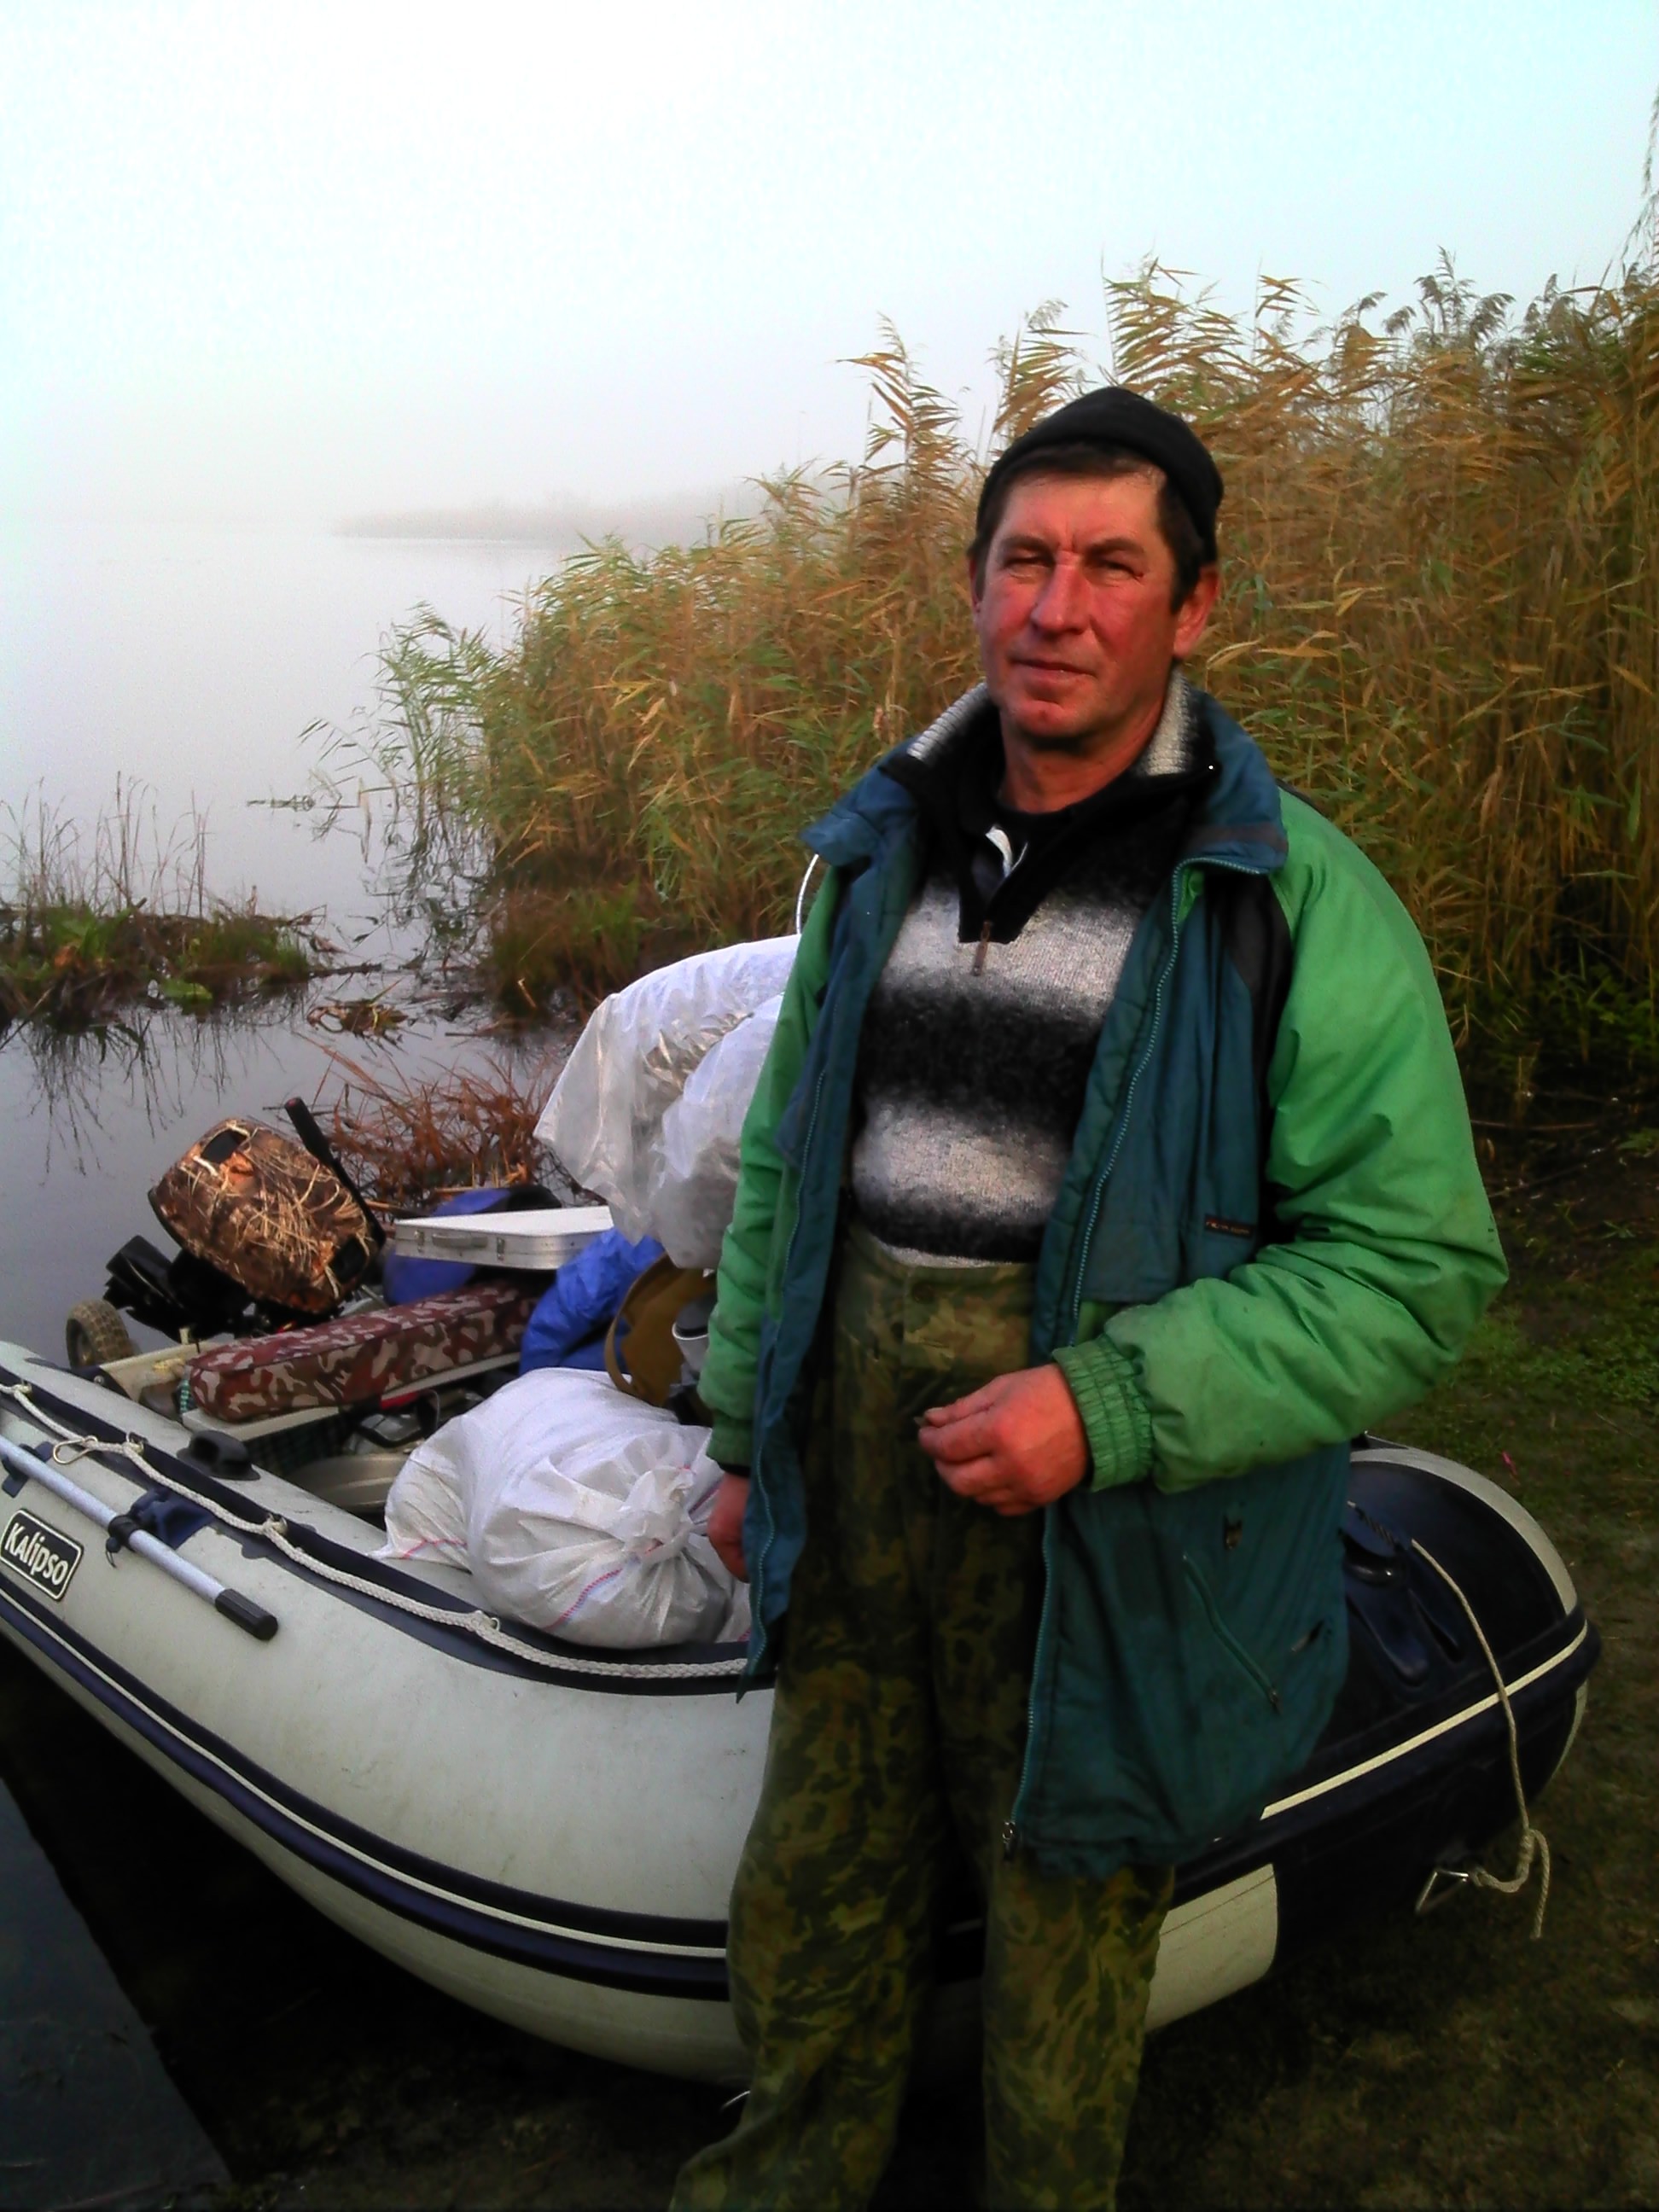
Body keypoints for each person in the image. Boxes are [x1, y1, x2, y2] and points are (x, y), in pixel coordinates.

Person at [672, 387, 1506, 2211]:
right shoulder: (877, 854)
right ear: (974, 586)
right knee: (808, 1902)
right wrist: (743, 1433)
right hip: (858, 1502)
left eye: (1112, 567)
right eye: (1024, 560)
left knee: (1063, 1962)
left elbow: (1413, 1268)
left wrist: (1104, 1407)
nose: (1057, 608)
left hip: (1108, 1534)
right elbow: (789, 1171)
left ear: (1194, 608)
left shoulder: (1286, 902)